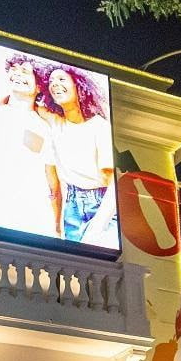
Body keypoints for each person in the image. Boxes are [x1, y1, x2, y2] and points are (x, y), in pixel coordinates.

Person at [0, 53, 63, 237]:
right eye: (14, 69)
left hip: (33, 218)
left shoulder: (45, 126)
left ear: (39, 85)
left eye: (25, 71)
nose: (18, 74)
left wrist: (57, 227)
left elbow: (52, 182)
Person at [43, 65, 117, 246]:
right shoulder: (56, 123)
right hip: (72, 205)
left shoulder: (98, 126)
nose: (55, 84)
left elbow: (113, 183)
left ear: (78, 85)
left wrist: (98, 225)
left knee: (102, 265)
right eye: (51, 81)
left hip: (100, 202)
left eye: (61, 79)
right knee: (76, 270)